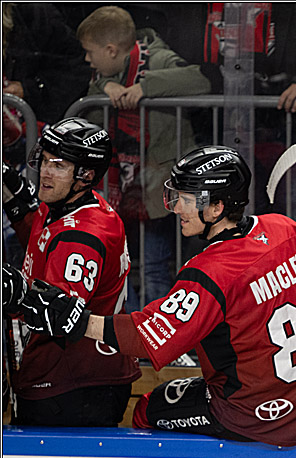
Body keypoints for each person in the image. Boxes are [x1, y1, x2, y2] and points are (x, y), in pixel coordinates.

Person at [15, 145, 296, 447]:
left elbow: (148, 338)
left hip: (255, 418)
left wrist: (78, 321)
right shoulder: (286, 229)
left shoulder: (209, 271)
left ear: (216, 207)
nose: (177, 208)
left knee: (147, 410)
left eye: (188, 199)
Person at [2, 117, 140, 426]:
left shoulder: (82, 238)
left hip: (75, 386)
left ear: (86, 175)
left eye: (59, 166)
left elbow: (60, 313)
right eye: (45, 160)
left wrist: (14, 290)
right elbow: (39, 233)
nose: (45, 172)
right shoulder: (71, 207)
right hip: (77, 377)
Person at [77, 5, 211, 303]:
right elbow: (93, 98)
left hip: (157, 184)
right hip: (120, 184)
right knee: (118, 265)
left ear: (111, 50)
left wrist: (146, 88)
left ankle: (158, 337)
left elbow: (200, 79)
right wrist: (103, 85)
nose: (87, 59)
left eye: (90, 52)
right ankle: (131, 334)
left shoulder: (159, 59)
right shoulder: (105, 73)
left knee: (153, 266)